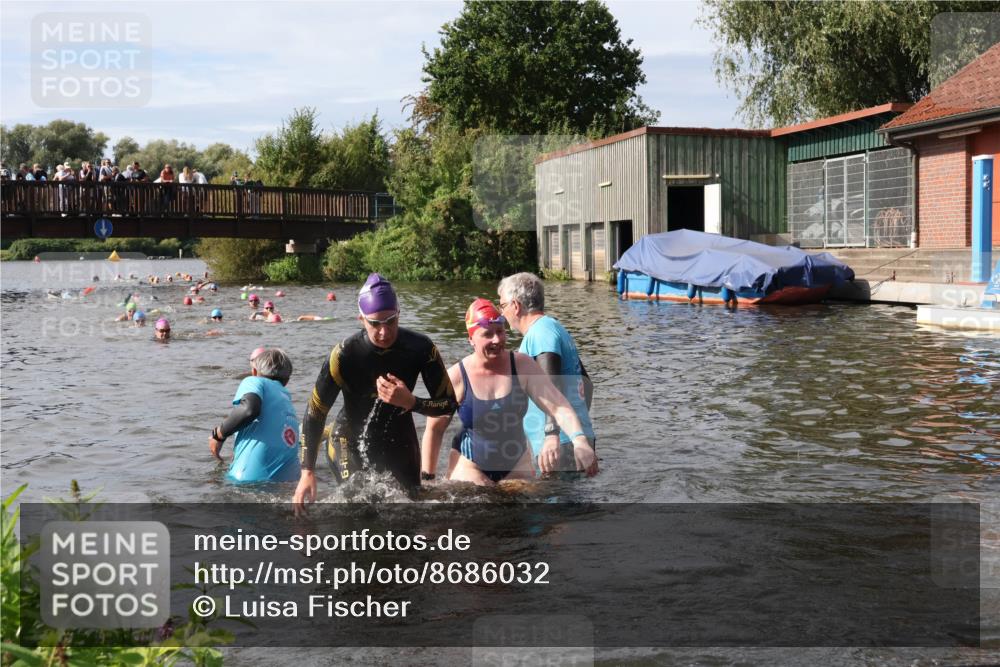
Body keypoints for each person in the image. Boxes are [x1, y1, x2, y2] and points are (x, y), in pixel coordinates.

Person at [292, 273, 457, 514]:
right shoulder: (344, 355)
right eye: (375, 324)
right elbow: (316, 412)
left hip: (399, 438)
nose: (384, 332)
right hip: (347, 437)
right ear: (361, 319)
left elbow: (450, 404)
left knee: (411, 510)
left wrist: (412, 402)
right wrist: (307, 472)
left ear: (399, 313)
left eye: (390, 321)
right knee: (360, 506)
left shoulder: (421, 348)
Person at [422, 299, 597, 485]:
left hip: (516, 465)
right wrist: (427, 479)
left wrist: (579, 440)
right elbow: (434, 429)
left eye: (500, 331)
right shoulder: (455, 377)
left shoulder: (522, 366)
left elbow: (558, 406)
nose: (496, 339)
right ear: (471, 339)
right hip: (470, 465)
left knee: (537, 509)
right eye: (488, 334)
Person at [497, 272, 596, 475]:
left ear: (515, 306)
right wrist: (580, 425)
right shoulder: (553, 328)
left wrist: (553, 435)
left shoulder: (540, 333)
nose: (501, 313)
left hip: (559, 445)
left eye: (502, 305)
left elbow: (552, 384)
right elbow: (586, 383)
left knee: (554, 505)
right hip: (572, 439)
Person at [209, 348, 301, 483]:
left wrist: (218, 435)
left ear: (255, 372)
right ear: (287, 381)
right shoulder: (288, 402)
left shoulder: (254, 381)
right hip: (290, 481)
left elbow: (249, 409)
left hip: (247, 480)